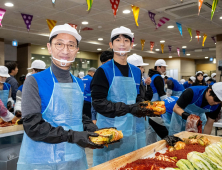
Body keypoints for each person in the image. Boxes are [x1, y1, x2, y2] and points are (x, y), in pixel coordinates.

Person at [17, 24, 103, 170]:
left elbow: (76, 115)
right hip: (42, 161)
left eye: (71, 45)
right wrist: (73, 136)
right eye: (59, 44)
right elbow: (33, 126)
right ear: (49, 47)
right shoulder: (34, 81)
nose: (65, 50)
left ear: (77, 50)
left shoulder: (77, 82)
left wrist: (92, 128)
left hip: (74, 158)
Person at [91, 26, 147, 166]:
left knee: (129, 163)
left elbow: (139, 96)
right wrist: (129, 108)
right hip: (109, 131)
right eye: (118, 39)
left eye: (126, 40)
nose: (122, 43)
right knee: (108, 165)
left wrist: (143, 107)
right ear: (111, 45)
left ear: (131, 45)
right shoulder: (103, 71)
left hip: (131, 129)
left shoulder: (136, 71)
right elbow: (98, 103)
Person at [127, 53, 153, 149]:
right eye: (141, 67)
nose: (143, 70)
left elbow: (147, 97)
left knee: (141, 140)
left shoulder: (141, 80)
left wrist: (148, 86)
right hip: (132, 115)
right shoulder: (129, 80)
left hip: (140, 115)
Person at [147, 59, 168, 145]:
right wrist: (167, 103)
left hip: (151, 104)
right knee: (158, 126)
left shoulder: (152, 76)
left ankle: (151, 145)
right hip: (156, 105)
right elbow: (161, 93)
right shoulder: (158, 77)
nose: (165, 69)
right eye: (163, 67)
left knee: (151, 128)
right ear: (158, 67)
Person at [91, 51, 114, 124]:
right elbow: (95, 99)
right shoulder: (99, 74)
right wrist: (93, 117)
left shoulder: (118, 74)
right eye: (105, 63)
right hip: (104, 117)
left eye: (109, 63)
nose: (107, 66)